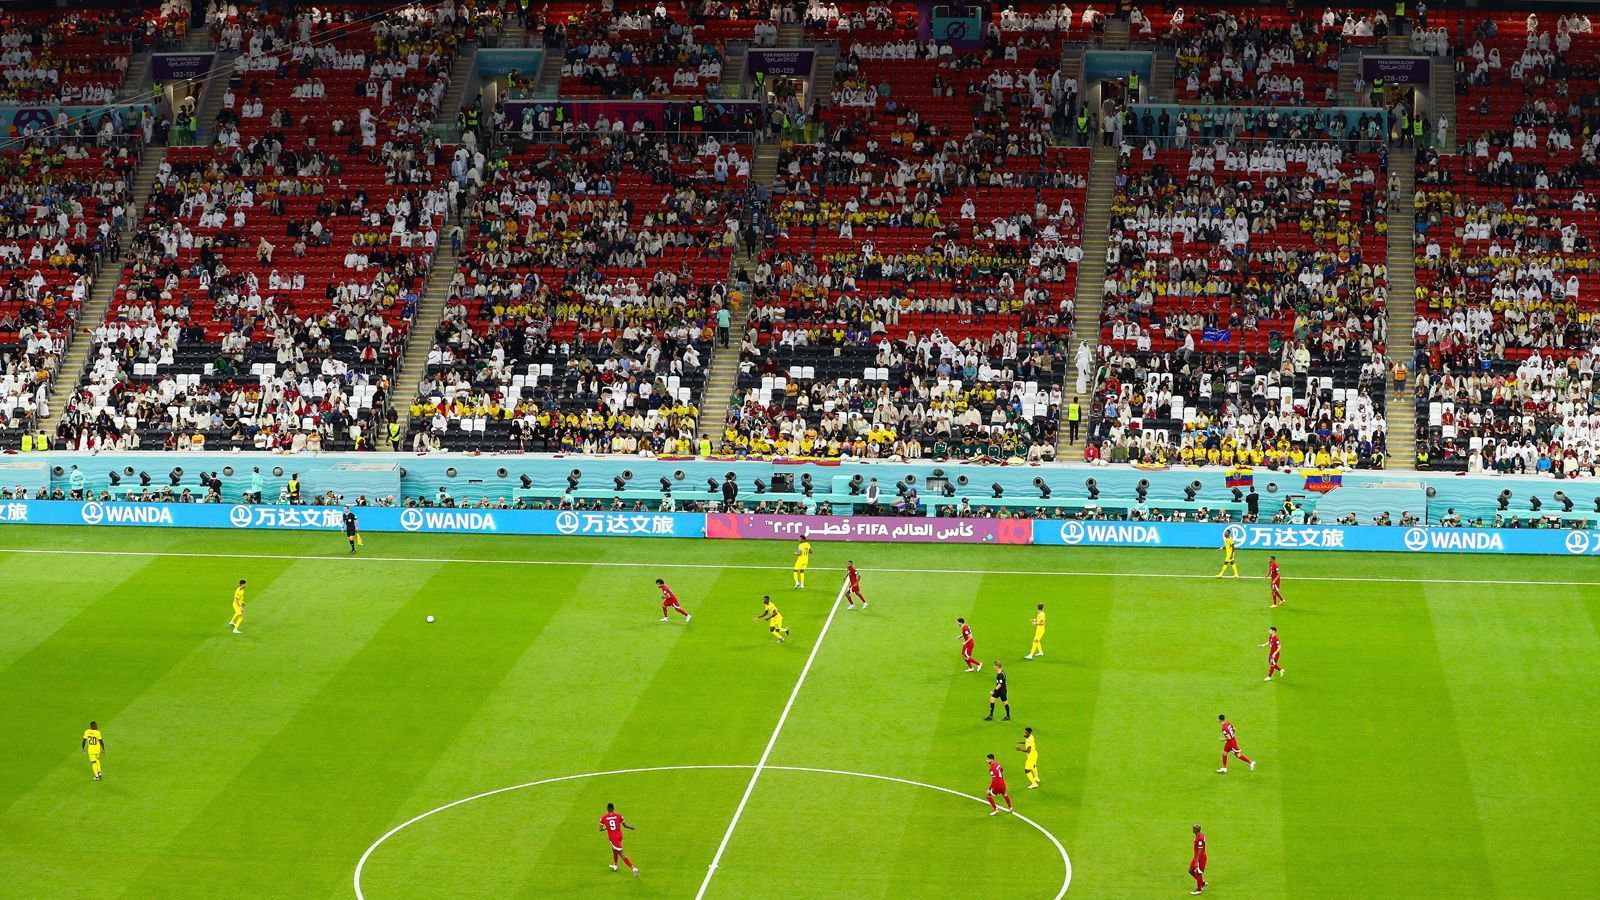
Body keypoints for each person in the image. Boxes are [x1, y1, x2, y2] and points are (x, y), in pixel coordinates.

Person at [599, 803, 638, 876]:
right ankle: (615, 865)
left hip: (613, 838)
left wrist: (606, 828)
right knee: (614, 849)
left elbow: (600, 829)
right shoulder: (619, 815)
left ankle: (633, 868)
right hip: (619, 836)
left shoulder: (603, 817)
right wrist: (631, 827)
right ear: (613, 808)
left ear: (607, 809)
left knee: (621, 853)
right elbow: (625, 825)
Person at [1189, 824, 1208, 894]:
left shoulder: (1199, 838)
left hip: (1200, 858)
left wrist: (1197, 861)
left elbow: (1200, 850)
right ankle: (1202, 883)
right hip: (1196, 857)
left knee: (1198, 873)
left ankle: (1199, 889)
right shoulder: (1200, 835)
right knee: (1191, 871)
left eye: (1193, 829)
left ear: (1196, 830)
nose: (1192, 830)